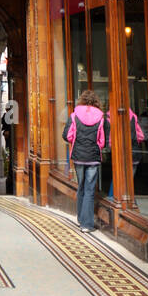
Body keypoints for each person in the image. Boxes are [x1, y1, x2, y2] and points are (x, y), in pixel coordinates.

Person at [63, 89, 106, 231]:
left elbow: (66, 135)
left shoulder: (74, 115)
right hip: (93, 157)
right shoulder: (101, 117)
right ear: (96, 102)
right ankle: (86, 224)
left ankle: (81, 219)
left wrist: (77, 141)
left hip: (78, 157)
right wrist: (96, 145)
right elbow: (102, 140)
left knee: (81, 186)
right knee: (89, 189)